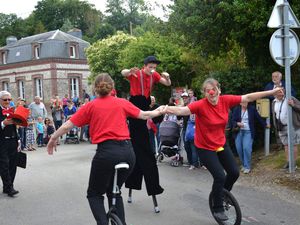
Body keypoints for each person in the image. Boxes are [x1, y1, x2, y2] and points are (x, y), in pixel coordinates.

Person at [47, 73, 163, 225]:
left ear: (95, 89)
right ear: (112, 87)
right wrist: (161, 110)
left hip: (107, 153)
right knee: (115, 191)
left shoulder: (90, 106)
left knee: (94, 194)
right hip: (128, 153)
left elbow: (68, 125)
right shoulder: (121, 102)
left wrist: (53, 138)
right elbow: (144, 114)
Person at [161, 78, 282, 221]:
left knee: (234, 172)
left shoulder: (226, 100)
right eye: (207, 91)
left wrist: (272, 91)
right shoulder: (200, 105)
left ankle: (221, 194)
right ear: (204, 93)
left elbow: (248, 97)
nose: (211, 93)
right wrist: (165, 108)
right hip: (204, 147)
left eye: (214, 89)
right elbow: (183, 110)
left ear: (219, 90)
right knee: (219, 176)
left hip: (220, 144)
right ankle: (217, 207)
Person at [121, 55, 171, 198]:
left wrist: (167, 77)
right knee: (142, 148)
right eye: (150, 67)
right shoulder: (137, 73)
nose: (152, 70)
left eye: (154, 67)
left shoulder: (154, 75)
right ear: (145, 66)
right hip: (135, 104)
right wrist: (129, 71)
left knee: (142, 149)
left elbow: (167, 83)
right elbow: (123, 73)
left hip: (144, 103)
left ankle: (139, 160)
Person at [232, 102, 267, 174]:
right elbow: (232, 120)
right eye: (243, 101)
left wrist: (265, 124)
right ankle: (244, 164)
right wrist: (237, 123)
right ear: (240, 103)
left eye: (246, 101)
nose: (245, 103)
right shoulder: (236, 109)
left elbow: (258, 117)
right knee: (239, 149)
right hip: (239, 132)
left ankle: (247, 166)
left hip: (248, 131)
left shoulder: (251, 109)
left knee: (246, 148)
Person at [272, 87, 299, 170]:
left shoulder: (290, 98)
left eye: (281, 91)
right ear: (274, 94)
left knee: (293, 144)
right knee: (286, 145)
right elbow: (274, 115)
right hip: (281, 127)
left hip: (292, 126)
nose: (280, 93)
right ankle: (288, 162)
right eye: (278, 92)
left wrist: (293, 105)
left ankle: (293, 163)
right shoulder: (273, 102)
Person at [0, 91, 20, 197]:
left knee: (13, 164)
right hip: (2, 141)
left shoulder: (12, 110)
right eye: (5, 99)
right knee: (4, 165)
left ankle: (8, 186)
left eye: (9, 99)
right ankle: (9, 187)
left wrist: (18, 139)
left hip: (13, 140)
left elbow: (14, 127)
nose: (7, 101)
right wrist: (3, 123)